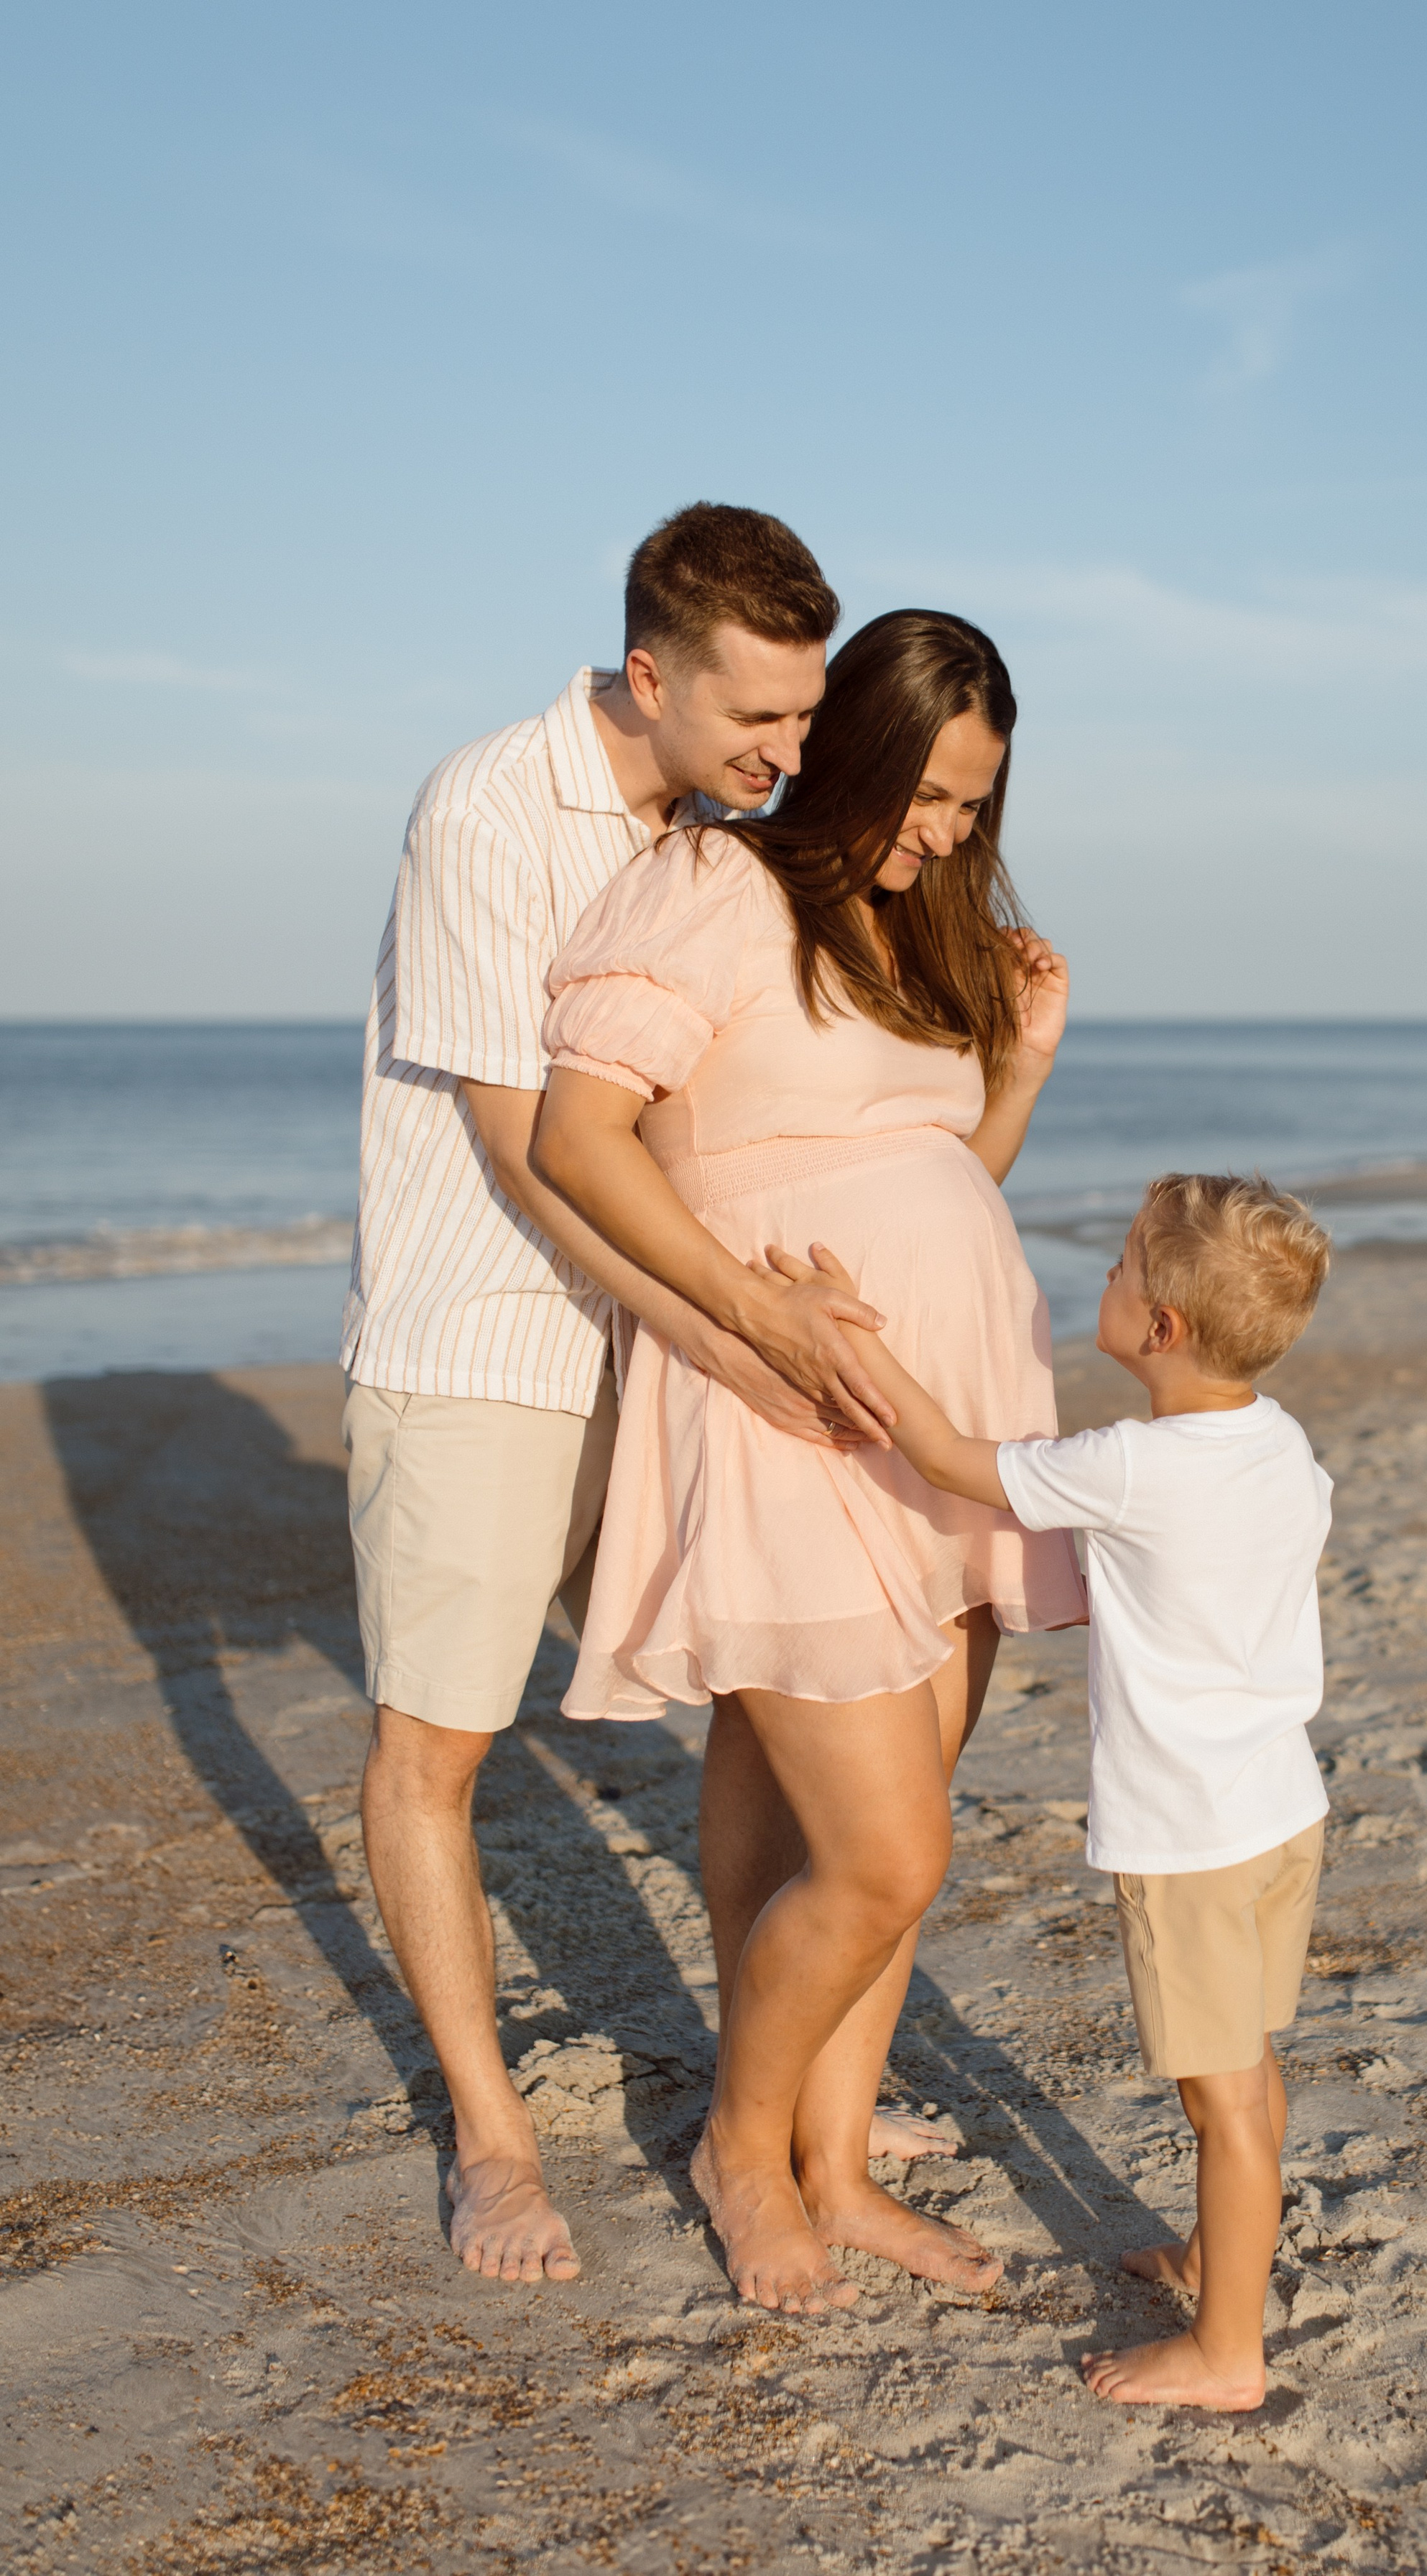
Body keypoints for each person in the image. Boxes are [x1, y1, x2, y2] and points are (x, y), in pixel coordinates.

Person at [341, 502, 895, 2289]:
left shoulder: (710, 826)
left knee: (744, 1685)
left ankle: (759, 2118)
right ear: (647, 674)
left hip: (652, 1333)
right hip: (489, 1334)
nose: (786, 754)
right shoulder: (489, 807)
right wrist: (742, 1326)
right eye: (758, 719)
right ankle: (493, 2148)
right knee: (438, 1746)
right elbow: (529, 1150)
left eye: (805, 722)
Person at [532, 610, 1088, 2312]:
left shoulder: (919, 931)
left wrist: (1024, 1065)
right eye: (923, 794)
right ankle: (740, 2147)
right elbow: (576, 1136)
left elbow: (941, 1175)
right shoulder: (714, 889)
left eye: (972, 808)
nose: (943, 833)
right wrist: (748, 1322)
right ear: (843, 747)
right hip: (782, 1401)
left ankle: (835, 2169)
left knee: (886, 1822)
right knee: (884, 1849)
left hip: (951, 1418)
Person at [788, 1172, 1334, 2407]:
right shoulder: (1281, 1445)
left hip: (1192, 1836)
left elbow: (942, 1455)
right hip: (1281, 1808)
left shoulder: (1135, 1466)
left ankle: (1227, 2351)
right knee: (1249, 2064)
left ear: (1162, 1332)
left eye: (1124, 1267)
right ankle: (1213, 2258)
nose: (1107, 1276)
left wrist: (837, 1326)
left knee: (1225, 2104)